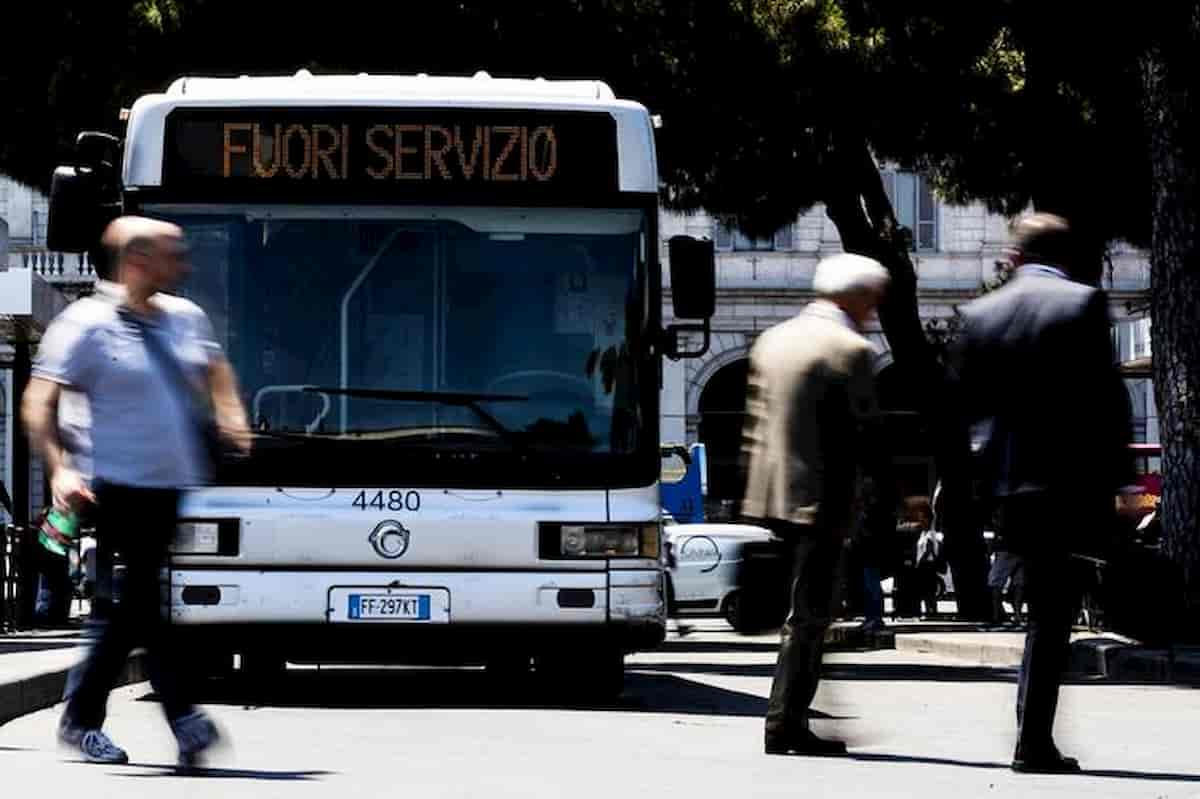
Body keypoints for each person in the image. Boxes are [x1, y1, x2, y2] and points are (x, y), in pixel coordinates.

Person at [22, 216, 251, 767]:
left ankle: (85, 721)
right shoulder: (86, 324)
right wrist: (59, 470)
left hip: (169, 483)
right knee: (141, 601)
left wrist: (230, 412)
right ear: (137, 261)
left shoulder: (184, 317)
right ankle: (184, 720)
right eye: (173, 255)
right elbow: (37, 402)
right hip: (113, 484)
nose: (184, 265)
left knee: (130, 609)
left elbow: (215, 370)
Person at [955, 213, 1134, 774]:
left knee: (1040, 610)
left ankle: (1032, 739)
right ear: (1065, 253)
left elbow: (960, 408)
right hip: (1065, 482)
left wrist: (975, 482)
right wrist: (1117, 477)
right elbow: (1106, 401)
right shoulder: (1081, 303)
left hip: (1007, 486)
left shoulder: (981, 313)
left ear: (1018, 254)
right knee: (1052, 617)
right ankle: (1033, 741)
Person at [742, 252, 889, 756]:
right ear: (855, 296)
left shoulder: (773, 339)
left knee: (802, 614)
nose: (874, 310)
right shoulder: (850, 348)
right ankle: (785, 722)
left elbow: (755, 428)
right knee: (809, 617)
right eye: (872, 298)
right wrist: (887, 498)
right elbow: (867, 434)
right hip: (820, 503)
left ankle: (789, 717)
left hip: (772, 496)